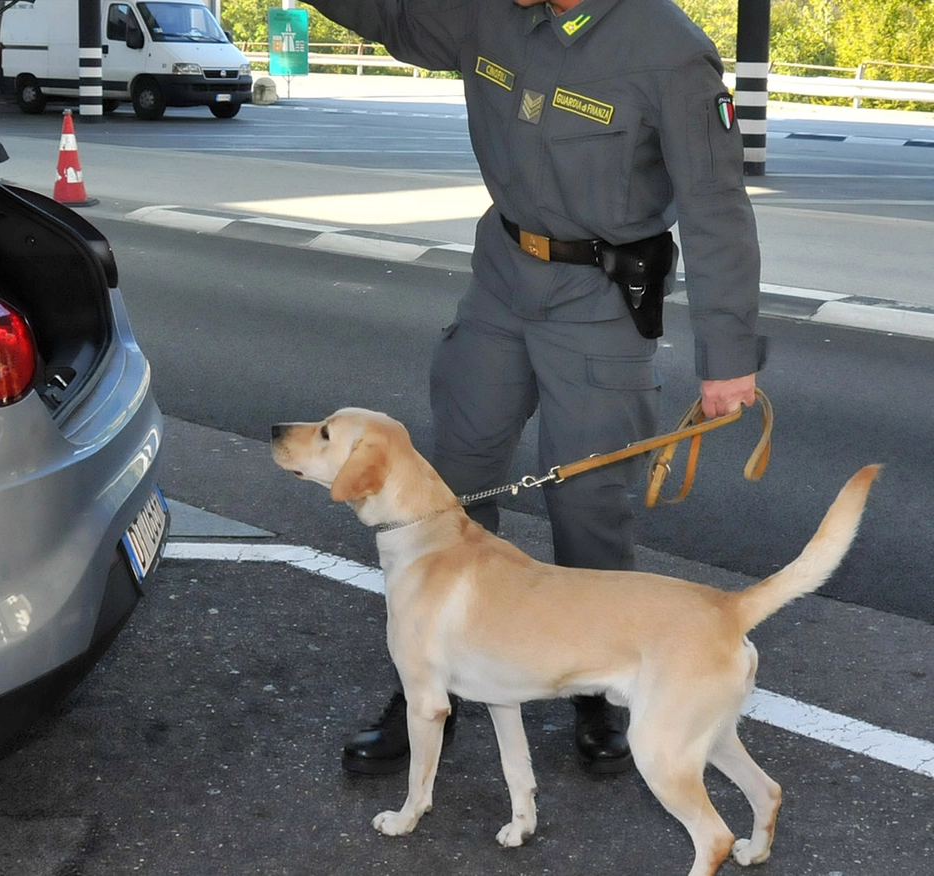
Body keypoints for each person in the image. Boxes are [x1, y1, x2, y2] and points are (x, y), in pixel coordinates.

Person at [306, 0, 765, 775]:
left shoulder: (671, 51)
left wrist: (729, 356)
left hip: (601, 298)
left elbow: (717, 205)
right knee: (451, 478)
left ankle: (597, 681)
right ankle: (428, 687)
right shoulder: (487, 15)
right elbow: (388, 13)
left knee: (587, 503)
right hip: (502, 280)